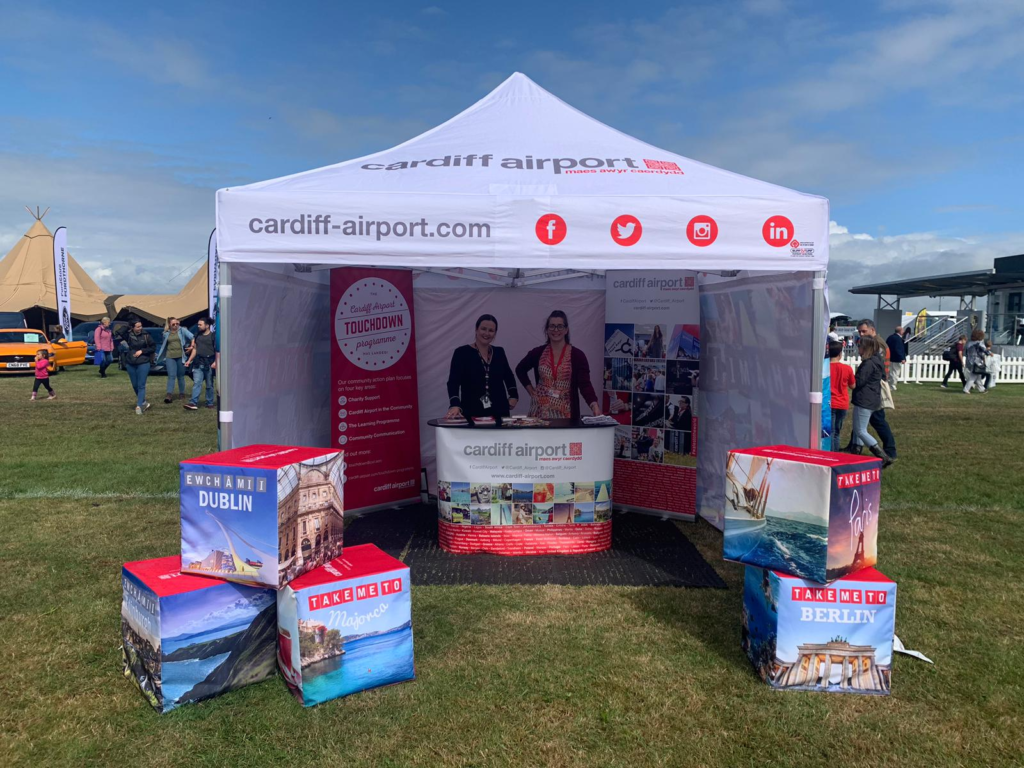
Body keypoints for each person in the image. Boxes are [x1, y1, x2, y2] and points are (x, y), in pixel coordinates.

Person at [515, 310, 600, 420]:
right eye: (552, 326)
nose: (556, 330)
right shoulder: (537, 353)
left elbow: (585, 385)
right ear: (547, 329)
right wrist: (531, 390)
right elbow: (520, 369)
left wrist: (594, 405)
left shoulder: (577, 355)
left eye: (560, 326)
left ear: (566, 330)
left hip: (566, 414)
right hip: (539, 413)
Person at [445, 314, 518, 419]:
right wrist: (455, 404)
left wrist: (514, 396)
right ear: (476, 329)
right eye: (483, 329)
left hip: (499, 410)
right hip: (472, 410)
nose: (487, 333)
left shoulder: (499, 352)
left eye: (491, 330)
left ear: (495, 333)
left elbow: (509, 376)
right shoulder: (461, 353)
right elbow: (453, 382)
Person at [848, 319, 897, 461]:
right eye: (859, 331)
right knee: (860, 423)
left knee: (876, 423)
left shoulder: (877, 345)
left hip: (871, 392)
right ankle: (855, 447)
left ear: (872, 330)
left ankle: (888, 451)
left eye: (864, 331)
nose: (861, 334)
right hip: (872, 392)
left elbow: (865, 377)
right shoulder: (873, 346)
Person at [157, 317, 194, 404]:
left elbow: (192, 337)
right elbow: (164, 345)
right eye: (173, 324)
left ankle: (182, 393)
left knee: (181, 376)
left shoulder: (182, 330)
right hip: (170, 356)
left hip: (181, 356)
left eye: (177, 324)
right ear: (169, 324)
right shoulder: (166, 333)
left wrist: (192, 346)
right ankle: (169, 394)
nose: (175, 326)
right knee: (171, 376)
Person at [184, 317, 216, 410]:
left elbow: (218, 351)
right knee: (197, 383)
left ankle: (209, 402)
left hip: (209, 363)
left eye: (200, 324)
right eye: (198, 324)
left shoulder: (213, 336)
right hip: (198, 363)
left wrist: (215, 362)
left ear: (207, 325)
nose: (198, 326)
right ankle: (193, 402)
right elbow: (195, 349)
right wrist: (189, 360)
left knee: (209, 384)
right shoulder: (197, 335)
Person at [829, 340, 855, 452]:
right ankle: (835, 453)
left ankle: (830, 452)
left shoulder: (824, 368)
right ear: (840, 354)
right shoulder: (847, 368)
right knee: (836, 431)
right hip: (842, 403)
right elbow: (853, 385)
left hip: (829, 402)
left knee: (829, 431)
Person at [125, 320, 156, 415]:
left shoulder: (146, 335)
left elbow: (153, 347)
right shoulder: (128, 335)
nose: (140, 328)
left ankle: (139, 406)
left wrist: (142, 351)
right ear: (133, 327)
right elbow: (119, 332)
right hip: (131, 362)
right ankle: (143, 402)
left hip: (143, 362)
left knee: (141, 385)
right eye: (138, 327)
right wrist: (127, 327)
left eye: (141, 326)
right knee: (135, 385)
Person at [962, 329, 988, 394]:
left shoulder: (969, 343)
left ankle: (982, 389)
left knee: (977, 376)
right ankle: (966, 389)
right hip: (976, 362)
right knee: (973, 377)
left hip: (969, 361)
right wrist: (989, 354)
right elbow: (984, 351)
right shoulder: (979, 344)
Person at [885, 325, 907, 390]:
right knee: (895, 372)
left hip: (890, 357)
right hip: (896, 358)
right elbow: (898, 349)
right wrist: (902, 358)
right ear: (900, 331)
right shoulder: (898, 339)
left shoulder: (890, 337)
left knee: (890, 372)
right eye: (902, 330)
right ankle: (892, 386)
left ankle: (889, 385)